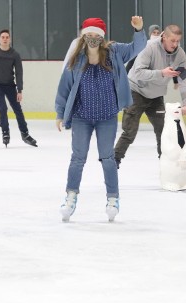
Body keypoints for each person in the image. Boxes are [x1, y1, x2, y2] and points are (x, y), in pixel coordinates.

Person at [56, 16, 146, 222]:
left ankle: (113, 198)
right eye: (89, 34)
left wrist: (139, 30)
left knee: (108, 158)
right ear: (84, 35)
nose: (93, 38)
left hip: (107, 116)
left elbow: (137, 47)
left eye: (97, 34)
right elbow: (65, 87)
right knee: (78, 158)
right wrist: (60, 113)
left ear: (102, 36)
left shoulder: (114, 53)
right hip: (81, 117)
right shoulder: (76, 58)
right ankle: (70, 196)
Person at [113, 24, 186, 168]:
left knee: (163, 132)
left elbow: (184, 78)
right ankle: (114, 160)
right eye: (172, 40)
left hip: (156, 96)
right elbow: (138, 72)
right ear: (164, 37)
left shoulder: (179, 54)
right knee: (130, 131)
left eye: (178, 41)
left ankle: (165, 163)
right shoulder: (149, 47)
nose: (175, 44)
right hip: (136, 92)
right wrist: (161, 73)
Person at [0, 29, 37, 148]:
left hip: (10, 85)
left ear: (10, 39)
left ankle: (25, 134)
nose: (5, 39)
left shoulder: (15, 54)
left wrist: (19, 90)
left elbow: (19, 73)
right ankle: (5, 132)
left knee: (17, 109)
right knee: (3, 108)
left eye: (7, 37)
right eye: (3, 37)